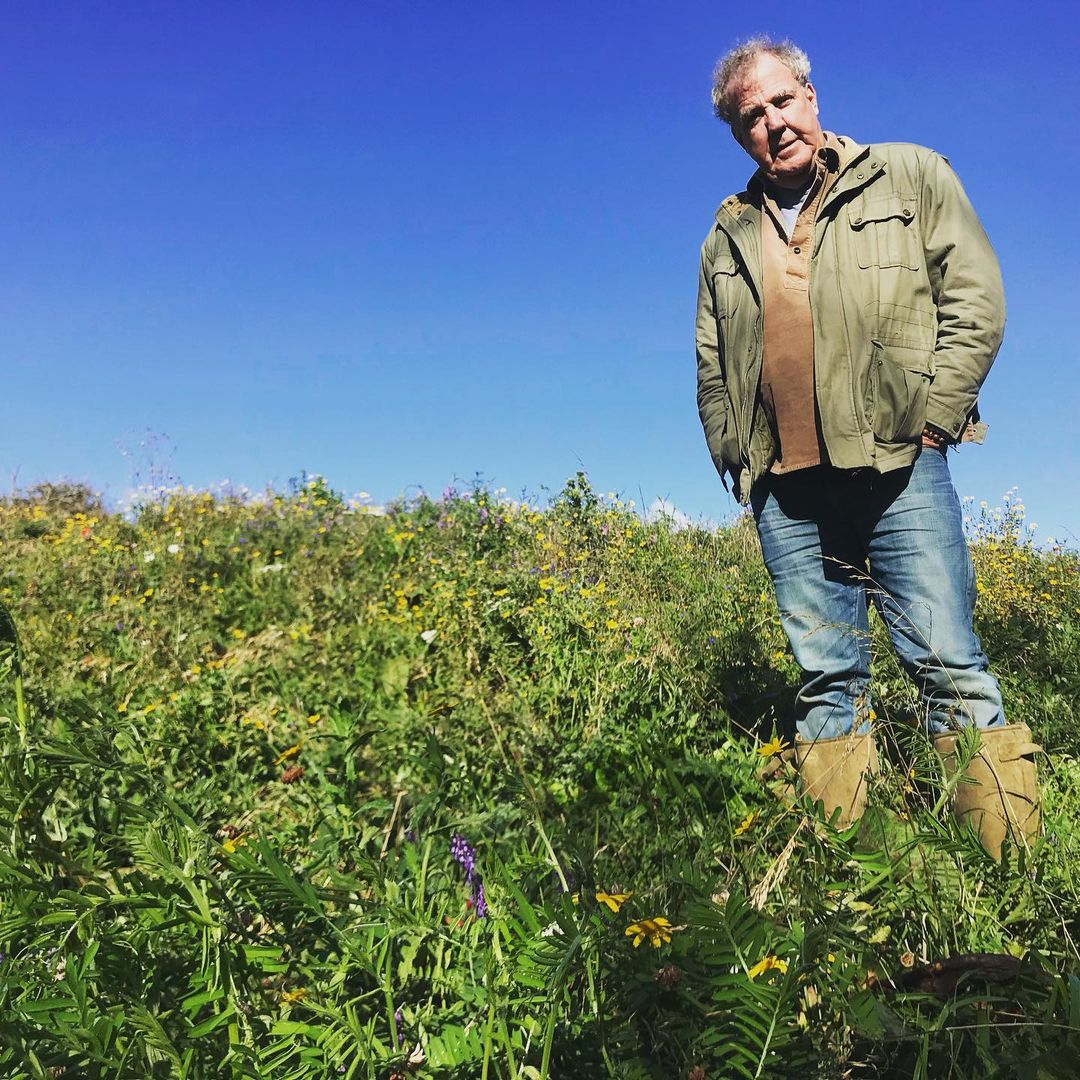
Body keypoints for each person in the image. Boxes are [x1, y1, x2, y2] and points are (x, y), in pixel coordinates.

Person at [695, 37, 1040, 858]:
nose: (772, 124)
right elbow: (712, 356)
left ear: (810, 96)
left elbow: (976, 297)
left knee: (949, 664)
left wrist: (935, 415)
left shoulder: (908, 175)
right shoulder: (728, 233)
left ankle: (1012, 880)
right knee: (826, 678)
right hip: (787, 488)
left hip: (898, 465)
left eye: (781, 102)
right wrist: (736, 452)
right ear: (740, 135)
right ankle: (845, 874)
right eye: (752, 117)